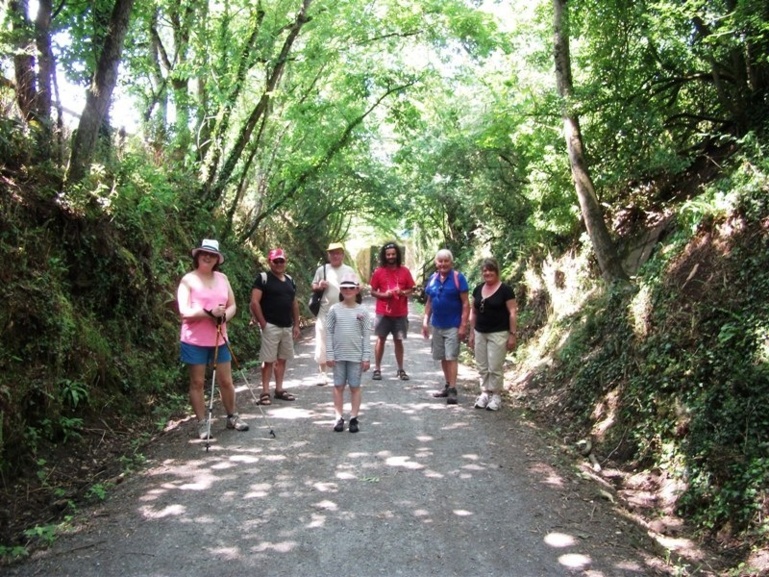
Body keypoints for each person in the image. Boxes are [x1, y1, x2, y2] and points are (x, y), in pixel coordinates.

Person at [177, 239, 249, 439]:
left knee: (226, 381)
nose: (207, 257)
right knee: (197, 382)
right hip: (194, 341)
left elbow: (232, 305)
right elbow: (184, 311)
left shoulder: (223, 278)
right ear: (197, 256)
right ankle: (202, 423)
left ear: (217, 259)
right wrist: (209, 313)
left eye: (211, 254)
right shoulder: (188, 280)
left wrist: (224, 316)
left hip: (219, 338)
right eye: (203, 253)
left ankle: (232, 416)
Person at [250, 248, 301, 405]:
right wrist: (263, 323)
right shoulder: (263, 278)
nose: (279, 264)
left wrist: (296, 324)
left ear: (285, 261)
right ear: (269, 262)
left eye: (281, 260)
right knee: (268, 360)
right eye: (275, 261)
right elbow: (254, 302)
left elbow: (294, 303)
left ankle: (279, 389)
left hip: (286, 325)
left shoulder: (290, 280)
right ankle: (265, 392)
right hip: (270, 325)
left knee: (282, 359)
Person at [468, 258, 517, 411]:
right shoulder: (478, 289)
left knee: (495, 366)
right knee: (482, 365)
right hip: (480, 332)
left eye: (491, 270)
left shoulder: (506, 290)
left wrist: (512, 334)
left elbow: (513, 312)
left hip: (499, 333)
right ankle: (484, 393)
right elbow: (473, 312)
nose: (487, 273)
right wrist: (471, 333)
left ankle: (496, 395)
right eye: (485, 270)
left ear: (496, 272)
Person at [422, 249, 470, 405]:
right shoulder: (433, 279)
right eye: (440, 261)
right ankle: (448, 384)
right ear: (436, 263)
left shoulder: (458, 278)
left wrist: (463, 325)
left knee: (451, 356)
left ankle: (453, 389)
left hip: (453, 325)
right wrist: (425, 321)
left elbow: (465, 303)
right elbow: (429, 302)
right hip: (437, 325)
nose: (443, 264)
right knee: (442, 356)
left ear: (451, 262)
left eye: (446, 261)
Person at [326, 273, 371, 433]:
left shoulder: (363, 311)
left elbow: (366, 335)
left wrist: (366, 357)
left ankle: (353, 417)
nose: (347, 290)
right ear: (340, 289)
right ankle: (338, 417)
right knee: (338, 385)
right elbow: (329, 332)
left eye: (351, 287)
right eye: (344, 287)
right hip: (338, 355)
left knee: (355, 386)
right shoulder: (334, 310)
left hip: (356, 356)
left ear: (357, 289)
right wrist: (329, 354)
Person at [369, 242, 415, 381]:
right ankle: (377, 369)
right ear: (384, 255)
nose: (391, 256)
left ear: (397, 255)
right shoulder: (378, 272)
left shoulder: (405, 271)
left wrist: (402, 292)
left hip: (400, 313)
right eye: (388, 254)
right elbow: (372, 291)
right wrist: (384, 295)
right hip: (383, 313)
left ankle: (400, 369)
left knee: (398, 341)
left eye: (393, 254)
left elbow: (411, 289)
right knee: (380, 339)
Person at [311, 242, 355, 386]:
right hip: (325, 312)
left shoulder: (348, 270)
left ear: (342, 254)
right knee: (322, 342)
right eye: (332, 253)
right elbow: (313, 286)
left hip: (345, 312)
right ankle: (322, 374)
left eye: (338, 253)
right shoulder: (322, 269)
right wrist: (319, 286)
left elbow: (357, 287)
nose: (335, 255)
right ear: (328, 255)